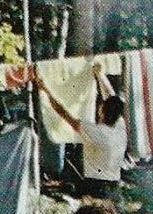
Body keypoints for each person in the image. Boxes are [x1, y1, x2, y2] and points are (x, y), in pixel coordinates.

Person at [34, 66, 128, 198]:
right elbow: (111, 97)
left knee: (92, 209)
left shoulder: (97, 133)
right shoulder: (120, 127)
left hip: (97, 186)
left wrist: (46, 90)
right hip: (113, 184)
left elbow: (63, 113)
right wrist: (100, 76)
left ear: (102, 111)